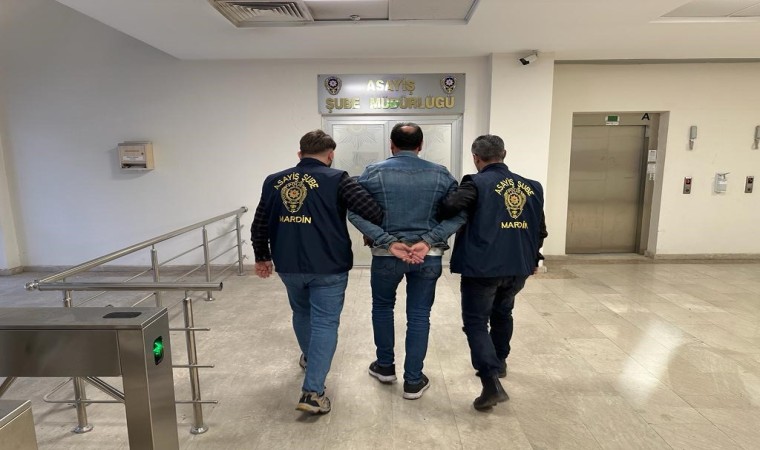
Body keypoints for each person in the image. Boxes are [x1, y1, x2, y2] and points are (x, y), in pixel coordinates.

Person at [251, 129, 384, 415]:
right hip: (328, 264)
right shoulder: (338, 179)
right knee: (325, 322)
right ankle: (313, 392)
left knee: (301, 313)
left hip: (288, 263)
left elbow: (259, 222)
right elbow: (372, 211)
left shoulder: (273, 180)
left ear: (300, 154)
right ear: (330, 155)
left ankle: (311, 359)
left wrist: (262, 256)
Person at [348, 122, 465, 400]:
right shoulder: (441, 174)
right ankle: (413, 380)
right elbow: (461, 213)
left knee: (382, 308)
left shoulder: (373, 172)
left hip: (386, 256)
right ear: (421, 145)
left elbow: (354, 211)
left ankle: (385, 367)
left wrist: (386, 240)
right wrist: (429, 240)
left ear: (391, 145)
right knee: (419, 315)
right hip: (428, 256)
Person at [437, 134, 547, 411]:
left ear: (476, 158)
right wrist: (533, 256)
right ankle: (500, 362)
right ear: (504, 154)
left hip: (483, 267)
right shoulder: (533, 187)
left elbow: (448, 207)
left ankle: (490, 384)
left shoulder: (475, 183)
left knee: (476, 322)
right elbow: (540, 230)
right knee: (503, 313)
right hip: (518, 266)